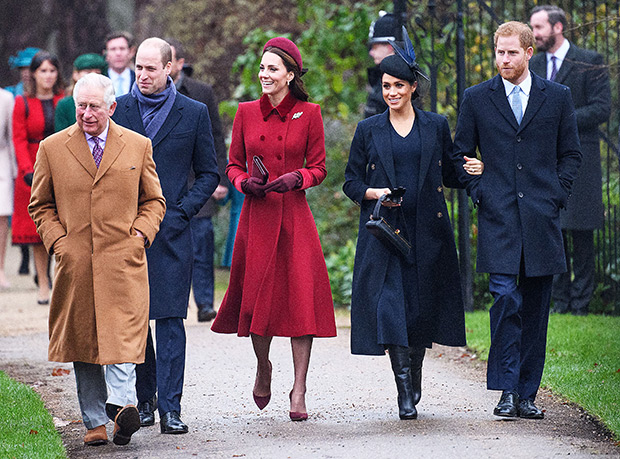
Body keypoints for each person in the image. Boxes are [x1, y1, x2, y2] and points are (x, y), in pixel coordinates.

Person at [343, 28, 482, 420]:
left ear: (412, 88)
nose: (391, 93)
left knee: (419, 311)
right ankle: (404, 390)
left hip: (428, 232)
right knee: (391, 308)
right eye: (386, 86)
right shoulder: (368, 130)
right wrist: (377, 193)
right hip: (385, 233)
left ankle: (414, 374)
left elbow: (452, 171)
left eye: (399, 86)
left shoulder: (435, 125)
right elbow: (351, 182)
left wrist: (476, 168)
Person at [28, 73, 166, 447]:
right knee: (84, 340)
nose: (87, 114)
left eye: (94, 107)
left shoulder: (137, 146)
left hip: (123, 261)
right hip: (77, 263)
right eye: (81, 107)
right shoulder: (53, 148)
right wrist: (60, 242)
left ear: (112, 107)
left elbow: (154, 200)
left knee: (123, 339)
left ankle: (122, 411)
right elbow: (40, 205)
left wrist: (140, 234)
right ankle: (94, 420)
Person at [452, 21, 581, 419]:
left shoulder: (557, 97)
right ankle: (506, 391)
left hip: (542, 222)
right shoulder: (476, 98)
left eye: (511, 52)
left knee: (537, 310)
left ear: (529, 53)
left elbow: (571, 155)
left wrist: (555, 195)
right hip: (499, 220)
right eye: (499, 52)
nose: (503, 59)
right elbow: (459, 155)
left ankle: (527, 394)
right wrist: (480, 193)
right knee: (506, 300)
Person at [211, 37, 337, 421]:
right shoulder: (246, 112)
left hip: (295, 217)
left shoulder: (309, 113)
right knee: (258, 300)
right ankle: (263, 366)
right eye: (262, 68)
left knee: (301, 302)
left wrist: (297, 178)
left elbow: (319, 167)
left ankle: (299, 389)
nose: (264, 75)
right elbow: (232, 164)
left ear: (290, 74)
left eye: (272, 69)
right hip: (257, 217)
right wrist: (242, 182)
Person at [112, 37, 219, 434]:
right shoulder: (118, 110)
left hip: (173, 232)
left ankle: (172, 408)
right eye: (138, 67)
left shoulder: (193, 113)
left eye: (150, 68)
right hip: (128, 233)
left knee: (171, 320)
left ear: (170, 68)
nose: (142, 74)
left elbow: (210, 172)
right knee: (138, 322)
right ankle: (146, 402)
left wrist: (182, 210)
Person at [529, 5, 611, 316]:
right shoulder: (533, 64)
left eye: (539, 28)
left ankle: (581, 305)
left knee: (582, 232)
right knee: (553, 229)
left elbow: (602, 108)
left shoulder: (590, 61)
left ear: (558, 27)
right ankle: (559, 302)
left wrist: (560, 120)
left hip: (581, 158)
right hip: (543, 160)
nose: (535, 34)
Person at [167, 38, 228, 322]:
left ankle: (204, 302)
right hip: (165, 181)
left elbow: (216, 136)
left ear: (180, 63)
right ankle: (173, 302)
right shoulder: (147, 95)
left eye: (171, 60)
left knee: (202, 241)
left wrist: (220, 177)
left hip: (199, 179)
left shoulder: (201, 92)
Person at [12, 50, 64, 304]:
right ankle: (42, 281)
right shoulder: (22, 102)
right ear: (33, 74)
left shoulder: (65, 101)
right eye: (42, 70)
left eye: (52, 70)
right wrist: (26, 170)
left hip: (60, 165)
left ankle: (57, 277)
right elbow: (18, 139)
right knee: (37, 231)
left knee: (62, 224)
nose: (48, 76)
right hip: (32, 169)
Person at [6, 47, 40, 276]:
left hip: (39, 151)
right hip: (20, 155)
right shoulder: (13, 94)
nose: (26, 73)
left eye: (29, 68)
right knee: (23, 211)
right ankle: (25, 254)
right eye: (22, 68)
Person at [55, 53, 107, 132]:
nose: (93, 76)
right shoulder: (65, 105)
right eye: (88, 72)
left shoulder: (107, 103)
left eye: (97, 73)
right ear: (75, 74)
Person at [364, 12, 398, 118]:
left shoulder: (403, 81)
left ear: (389, 47)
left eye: (375, 47)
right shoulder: (379, 77)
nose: (371, 53)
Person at [0, 88, 15, 289]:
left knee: (2, 217)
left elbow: (11, 135)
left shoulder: (6, 98)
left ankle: (0, 270)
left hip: (1, 161)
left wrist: (14, 170)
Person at [104, 31, 136, 97]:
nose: (118, 53)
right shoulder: (100, 81)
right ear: (106, 54)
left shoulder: (138, 80)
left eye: (122, 48)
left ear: (131, 52)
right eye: (113, 49)